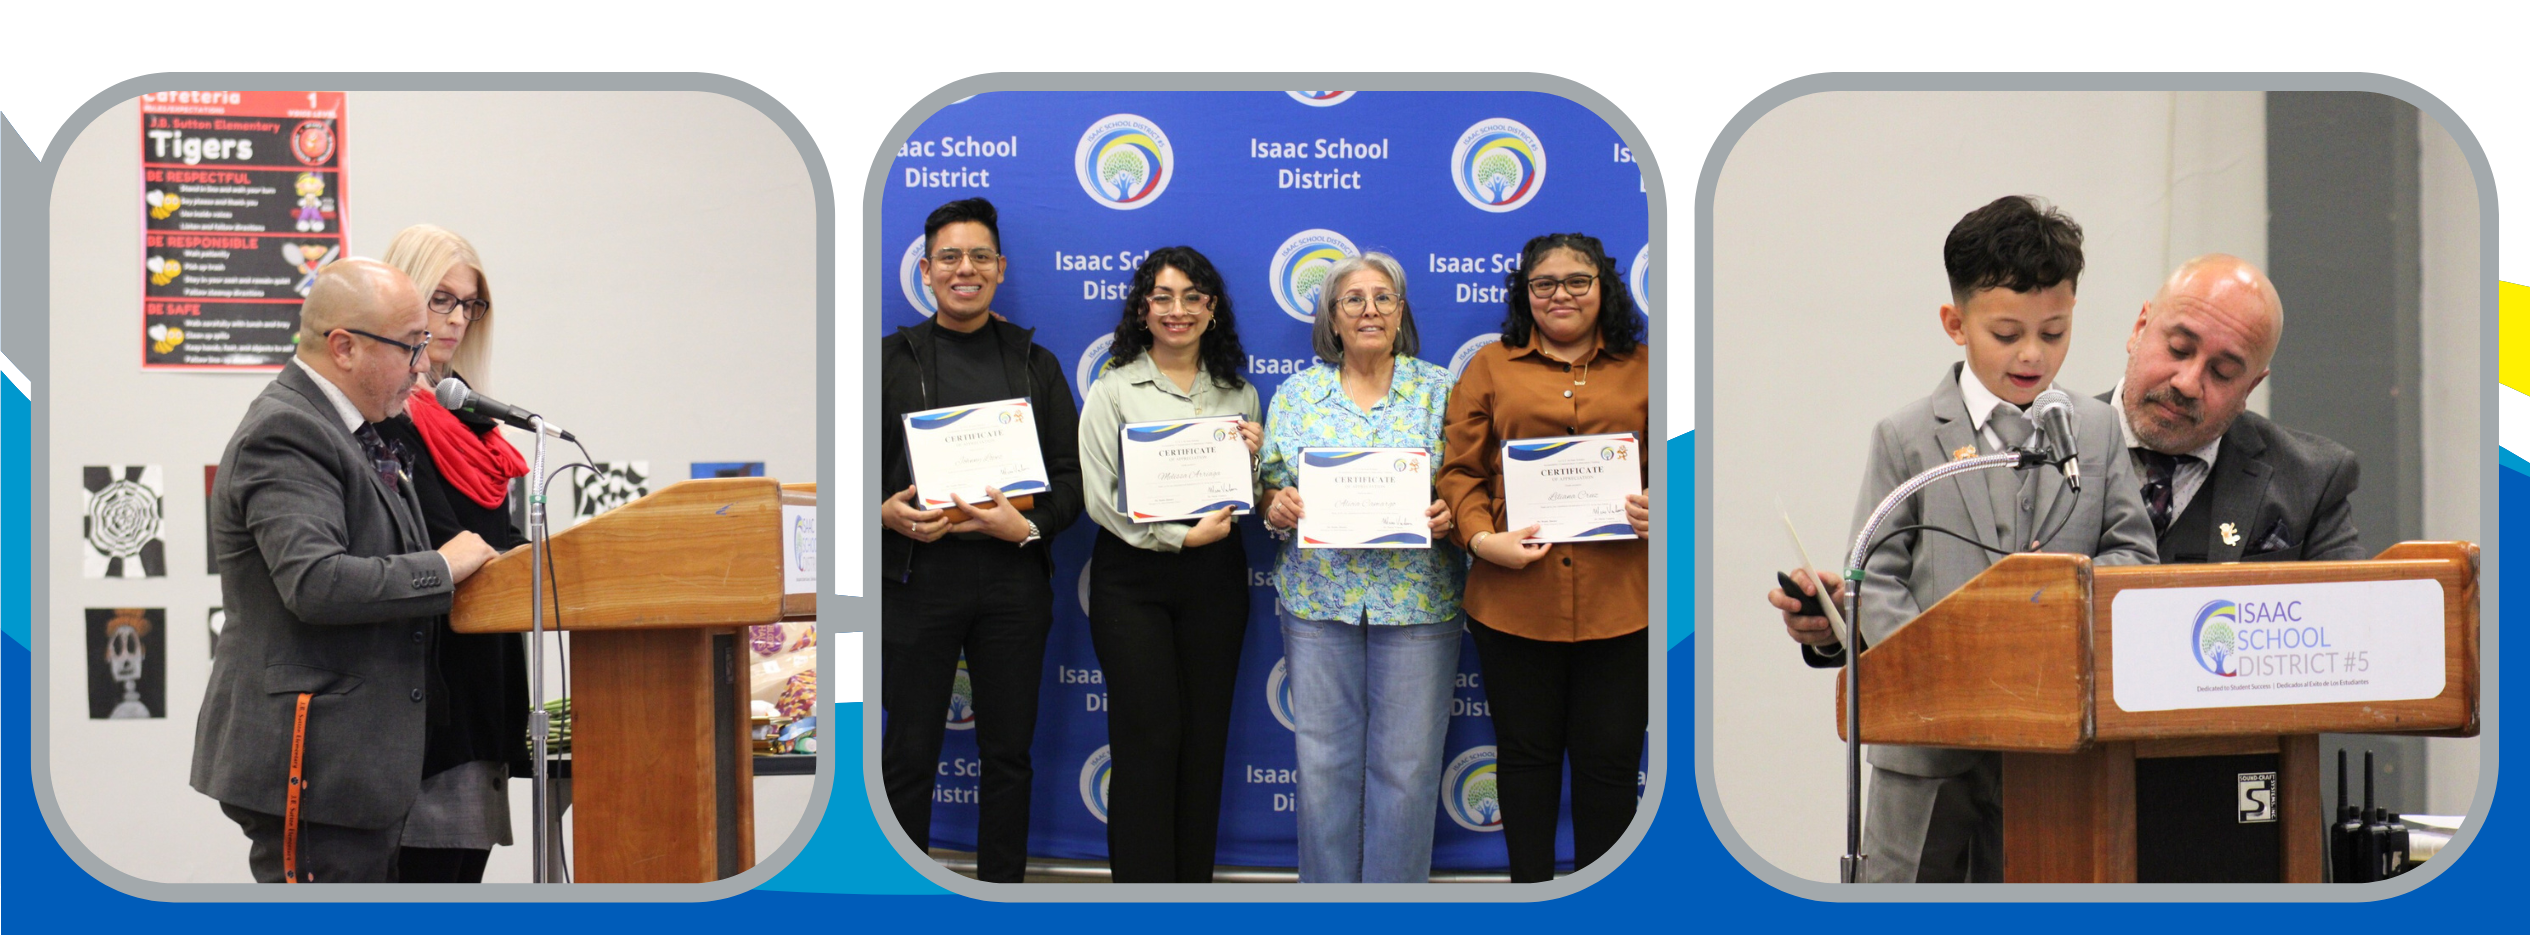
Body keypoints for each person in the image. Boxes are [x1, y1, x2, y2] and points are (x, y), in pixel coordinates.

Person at [1769, 196, 2157, 883]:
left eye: (2055, 331)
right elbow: (1878, 576)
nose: (2033, 354)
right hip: (1927, 747)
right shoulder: (1907, 434)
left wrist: (2056, 627)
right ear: (1956, 323)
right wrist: (1952, 664)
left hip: (2054, 746)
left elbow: (2133, 558)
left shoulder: (2095, 431)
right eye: (2007, 333)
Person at [193, 258, 503, 882]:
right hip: (315, 768)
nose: (423, 365)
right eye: (411, 346)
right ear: (344, 347)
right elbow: (317, 584)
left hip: (352, 768)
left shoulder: (360, 428)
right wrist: (441, 569)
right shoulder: (287, 430)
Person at [878, 197, 1083, 883]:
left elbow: (1069, 481)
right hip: (916, 580)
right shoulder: (889, 362)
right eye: (950, 257)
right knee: (907, 753)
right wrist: (883, 513)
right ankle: (901, 893)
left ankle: (1002, 893)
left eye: (980, 257)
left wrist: (1024, 525)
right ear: (927, 271)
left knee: (1008, 754)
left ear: (1000, 269)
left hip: (1011, 585)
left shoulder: (1037, 365)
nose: (965, 268)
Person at [1438, 233, 1654, 882]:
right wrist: (1480, 539)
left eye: (1576, 281)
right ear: (1525, 294)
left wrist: (1664, 503)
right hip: (1513, 600)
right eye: (1544, 284)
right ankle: (1529, 896)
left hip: (1625, 602)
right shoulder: (1490, 367)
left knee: (1610, 763)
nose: (1560, 295)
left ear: (1603, 288)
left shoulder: (1648, 368)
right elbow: (1458, 474)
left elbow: (1688, 467)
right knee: (1526, 759)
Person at [1255, 252, 1463, 883]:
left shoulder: (1439, 390)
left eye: (1383, 298)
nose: (1369, 310)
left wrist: (1452, 511)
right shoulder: (1296, 395)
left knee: (1408, 768)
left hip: (1419, 602)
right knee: (1322, 765)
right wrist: (1278, 505)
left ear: (1401, 313)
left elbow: (1468, 484)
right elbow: (1267, 488)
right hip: (1320, 602)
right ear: (1332, 318)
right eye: (1354, 300)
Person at [1076, 246, 1262, 882]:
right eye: (1163, 297)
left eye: (1192, 297)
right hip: (1134, 581)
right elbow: (1100, 498)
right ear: (1142, 307)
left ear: (1212, 310)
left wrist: (1256, 463)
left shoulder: (1240, 394)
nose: (1177, 310)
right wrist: (1176, 539)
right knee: (1147, 737)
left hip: (1216, 581)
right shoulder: (1113, 390)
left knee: (1204, 740)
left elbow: (1250, 496)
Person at [366, 224, 531, 882]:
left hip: (486, 681)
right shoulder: (383, 423)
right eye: (441, 299)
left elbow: (498, 544)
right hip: (425, 701)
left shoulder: (474, 420)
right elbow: (436, 546)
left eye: (470, 303)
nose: (458, 318)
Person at [2107, 254, 2361, 563]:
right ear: (2140, 328)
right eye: (2179, 349)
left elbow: (2352, 605)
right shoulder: (2042, 447)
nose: (2187, 384)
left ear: (2250, 388)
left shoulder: (2310, 481)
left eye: (2222, 372)